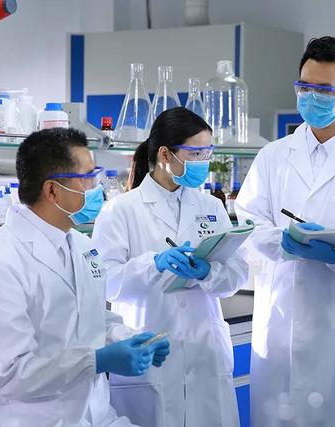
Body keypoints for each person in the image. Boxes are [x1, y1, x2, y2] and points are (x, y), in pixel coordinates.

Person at [0, 128, 170, 427]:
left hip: (96, 416)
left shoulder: (81, 245)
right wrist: (99, 360)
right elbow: (12, 376)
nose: (97, 188)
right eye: (87, 178)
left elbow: (92, 318)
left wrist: (130, 339)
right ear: (52, 191)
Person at [234, 36, 335, 426]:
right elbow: (248, 223)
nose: (311, 97)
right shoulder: (273, 156)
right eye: (304, 87)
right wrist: (282, 242)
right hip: (279, 328)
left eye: (324, 90)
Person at [91, 107, 248, 427]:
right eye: (196, 153)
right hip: (149, 348)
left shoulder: (211, 206)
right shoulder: (120, 210)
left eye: (208, 152)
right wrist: (153, 265)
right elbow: (104, 282)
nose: (204, 161)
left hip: (206, 350)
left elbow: (237, 272)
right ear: (165, 154)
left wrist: (207, 273)